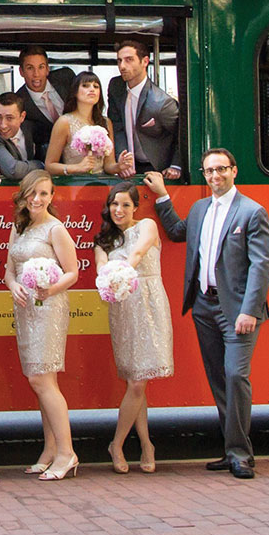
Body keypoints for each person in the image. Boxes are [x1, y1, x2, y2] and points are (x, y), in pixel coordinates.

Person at [146, 151, 269, 479]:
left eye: (221, 170)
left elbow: (260, 266)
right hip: (204, 306)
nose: (215, 176)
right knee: (219, 380)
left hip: (238, 311)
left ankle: (241, 455)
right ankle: (232, 450)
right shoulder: (200, 209)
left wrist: (250, 311)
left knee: (235, 376)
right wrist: (162, 196)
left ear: (234, 171)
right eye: (209, 170)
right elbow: (176, 232)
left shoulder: (252, 212)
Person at [4, 170, 80, 481]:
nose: (37, 199)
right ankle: (50, 450)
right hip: (25, 308)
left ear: (52, 197)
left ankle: (67, 453)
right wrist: (13, 286)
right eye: (32, 193)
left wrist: (49, 290)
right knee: (41, 381)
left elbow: (72, 272)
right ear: (22, 196)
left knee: (41, 380)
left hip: (48, 307)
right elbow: (9, 270)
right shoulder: (18, 227)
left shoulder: (55, 229)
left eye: (44, 194)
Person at [93, 183, 173, 474]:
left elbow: (138, 254)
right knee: (135, 382)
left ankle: (119, 443)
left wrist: (123, 269)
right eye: (114, 204)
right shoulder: (103, 241)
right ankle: (145, 444)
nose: (119, 210)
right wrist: (109, 275)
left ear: (135, 207)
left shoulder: (148, 226)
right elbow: (101, 268)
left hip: (149, 304)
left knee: (139, 382)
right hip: (124, 309)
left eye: (126, 205)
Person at [107, 38, 181, 179]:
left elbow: (181, 136)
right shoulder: (116, 86)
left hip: (156, 167)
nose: (122, 66)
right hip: (128, 166)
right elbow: (117, 126)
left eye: (129, 60)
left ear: (145, 62)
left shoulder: (162, 103)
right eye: (119, 61)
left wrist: (176, 166)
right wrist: (122, 159)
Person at [45, 72, 131, 177]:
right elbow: (49, 166)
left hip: (101, 184)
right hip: (74, 185)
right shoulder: (64, 122)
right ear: (75, 92)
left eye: (96, 86)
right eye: (85, 86)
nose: (92, 89)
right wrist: (77, 168)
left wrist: (119, 166)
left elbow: (108, 165)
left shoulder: (106, 123)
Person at [15, 46, 75, 157]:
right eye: (30, 68)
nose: (36, 74)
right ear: (21, 71)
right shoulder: (20, 102)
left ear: (47, 69)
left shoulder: (66, 78)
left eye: (41, 67)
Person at [0, 92, 43, 180]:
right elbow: (13, 170)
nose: (3, 125)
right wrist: (43, 164)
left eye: (9, 118)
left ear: (22, 117)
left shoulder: (30, 127)